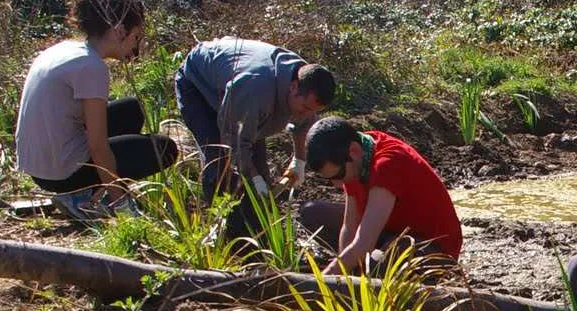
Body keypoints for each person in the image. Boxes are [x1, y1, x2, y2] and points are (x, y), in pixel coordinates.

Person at [14, 0, 178, 220]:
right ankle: (80, 197)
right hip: (62, 174)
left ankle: (83, 191)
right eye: (136, 37)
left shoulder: (65, 50)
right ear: (120, 30)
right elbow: (98, 146)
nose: (136, 46)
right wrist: (121, 202)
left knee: (132, 109)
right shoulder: (92, 67)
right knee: (164, 149)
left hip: (39, 167)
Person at [173, 36, 335, 235]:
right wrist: (253, 177)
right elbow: (236, 142)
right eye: (305, 108)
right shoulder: (256, 88)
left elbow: (303, 125)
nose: (307, 114)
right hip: (199, 86)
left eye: (313, 110)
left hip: (238, 98)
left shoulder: (305, 82)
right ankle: (223, 230)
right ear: (293, 87)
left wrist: (299, 161)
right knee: (219, 163)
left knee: (259, 176)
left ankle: (255, 230)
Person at [298, 116, 463, 273]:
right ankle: (361, 263)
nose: (337, 184)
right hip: (389, 232)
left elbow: (364, 242)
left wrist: (327, 280)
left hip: (431, 247)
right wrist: (344, 273)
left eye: (338, 176)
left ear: (354, 151)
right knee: (312, 213)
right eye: (330, 179)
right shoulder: (356, 154)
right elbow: (349, 226)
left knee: (376, 268)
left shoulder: (387, 164)